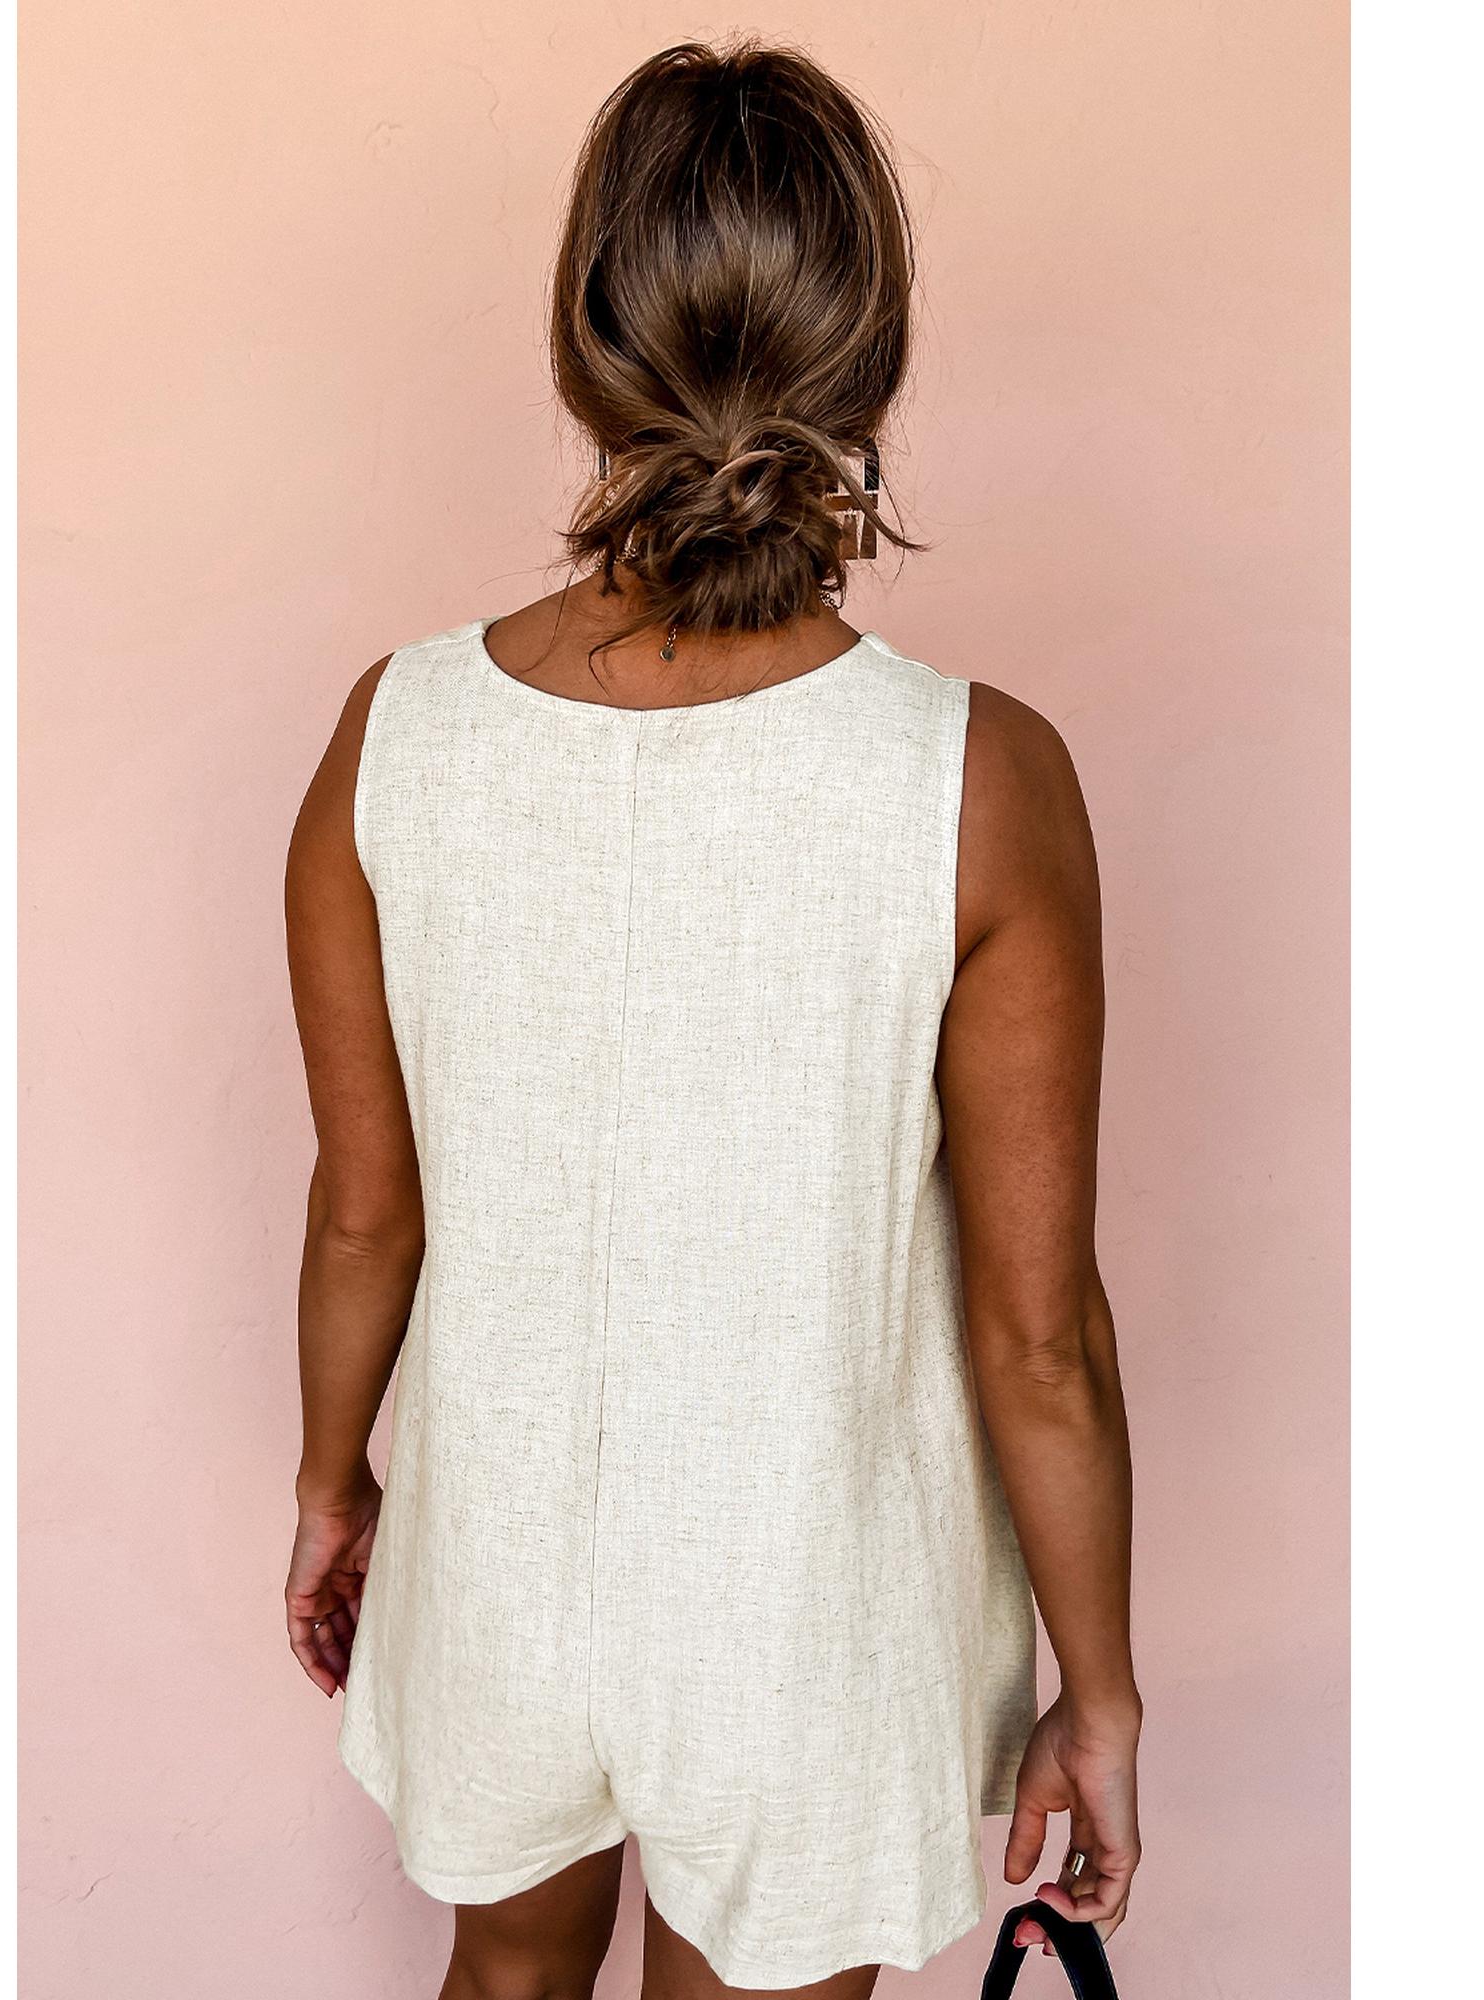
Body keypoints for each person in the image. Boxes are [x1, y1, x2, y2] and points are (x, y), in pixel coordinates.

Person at [284, 39, 1140, 2000]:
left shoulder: (394, 735)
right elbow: (1038, 1336)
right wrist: (1096, 1690)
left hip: (500, 1559)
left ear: (584, 344)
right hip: (807, 1605)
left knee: (503, 1972)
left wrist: (336, 1486)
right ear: (872, 352)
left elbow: (363, 1210)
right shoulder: (976, 780)